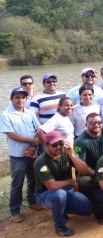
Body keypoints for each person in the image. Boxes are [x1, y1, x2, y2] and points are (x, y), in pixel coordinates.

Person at [34, 131, 92, 236]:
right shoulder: (41, 161)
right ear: (45, 145)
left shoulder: (65, 153)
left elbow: (84, 170)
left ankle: (60, 209)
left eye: (61, 143)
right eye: (54, 145)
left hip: (66, 190)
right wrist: (70, 181)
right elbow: (52, 187)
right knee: (59, 194)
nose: (59, 147)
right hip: (45, 194)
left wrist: (72, 154)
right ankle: (59, 226)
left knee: (86, 209)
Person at [0, 88, 42, 223]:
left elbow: (38, 130)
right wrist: (32, 141)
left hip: (32, 152)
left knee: (33, 178)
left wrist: (33, 146)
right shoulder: (6, 116)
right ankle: (15, 211)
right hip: (17, 155)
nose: (20, 100)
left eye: (23, 97)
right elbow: (11, 135)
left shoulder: (30, 113)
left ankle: (32, 201)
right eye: (17, 97)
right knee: (17, 183)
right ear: (11, 99)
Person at [73, 113, 103, 189]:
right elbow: (82, 169)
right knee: (83, 181)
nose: (96, 125)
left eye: (99, 122)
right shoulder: (80, 142)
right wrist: (99, 175)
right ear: (86, 125)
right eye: (92, 123)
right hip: (91, 173)